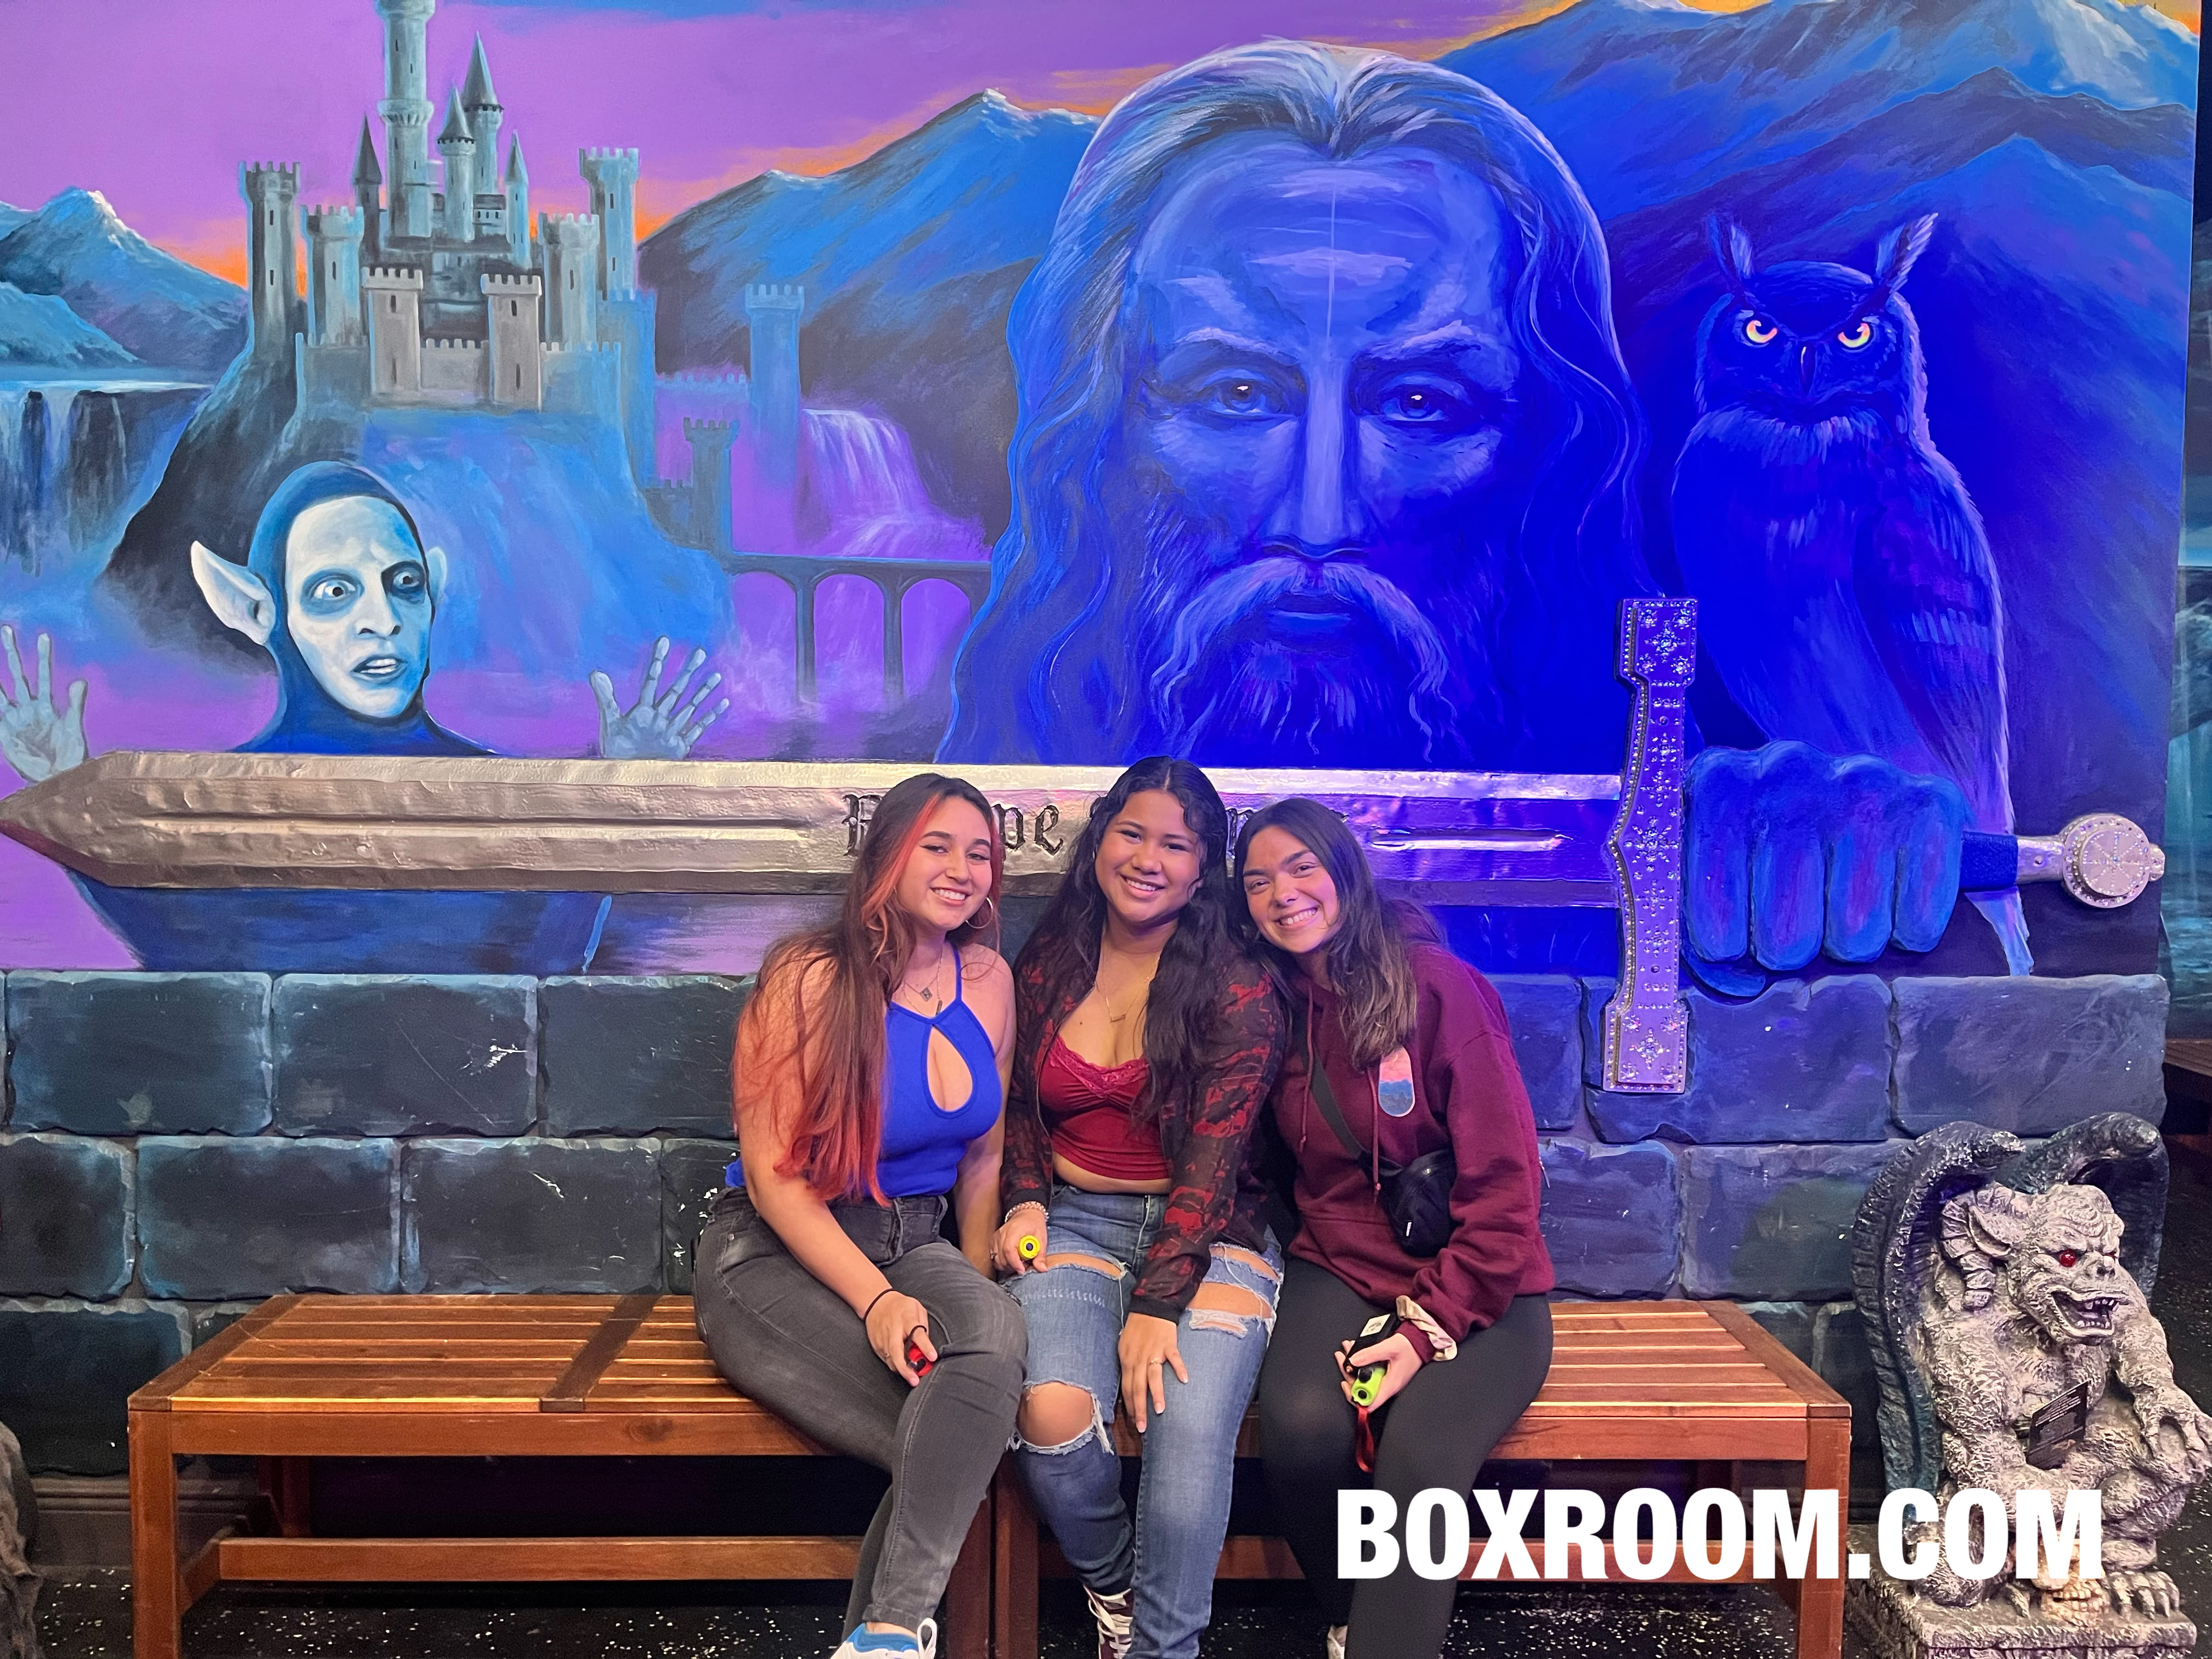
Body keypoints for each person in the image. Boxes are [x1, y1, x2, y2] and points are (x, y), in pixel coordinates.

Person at [938, 38, 1983, 986]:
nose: (1319, 518)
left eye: (1420, 403)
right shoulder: (958, 884)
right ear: (1101, 436)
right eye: (1237, 393)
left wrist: (1814, 855)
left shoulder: (1659, 832)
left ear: (1543, 455)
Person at [693, 772, 1025, 1659]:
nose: (962, 869)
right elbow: (775, 1180)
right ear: (886, 856)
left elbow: (982, 1160)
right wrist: (878, 1302)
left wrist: (971, 1296)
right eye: (937, 846)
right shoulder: (809, 976)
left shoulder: (989, 980)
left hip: (916, 1239)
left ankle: (883, 1636)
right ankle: (893, 1633)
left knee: (994, 1341)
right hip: (778, 1254)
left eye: (981, 853)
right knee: (950, 1438)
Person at [1235, 797, 1554, 1659]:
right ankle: (1353, 1623)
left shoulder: (1440, 989)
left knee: (1418, 1467)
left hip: (1480, 1279)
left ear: (1345, 872)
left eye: (1302, 868)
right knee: (1303, 1431)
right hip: (1340, 1261)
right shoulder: (1272, 1008)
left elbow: (1508, 1193)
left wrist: (1423, 1331)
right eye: (1258, 881)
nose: (1283, 893)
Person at [990, 757, 1286, 1659]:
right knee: (1049, 1418)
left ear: (1203, 871)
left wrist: (1159, 1305)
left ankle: (1165, 1649)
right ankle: (1116, 1587)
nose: (1148, 859)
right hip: (1076, 1218)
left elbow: (1215, 1164)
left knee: (1184, 1425)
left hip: (1212, 1232)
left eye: (1177, 845)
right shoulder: (1053, 956)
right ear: (1100, 841)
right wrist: (1025, 1199)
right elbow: (1018, 1103)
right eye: (1132, 833)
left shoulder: (1238, 985)